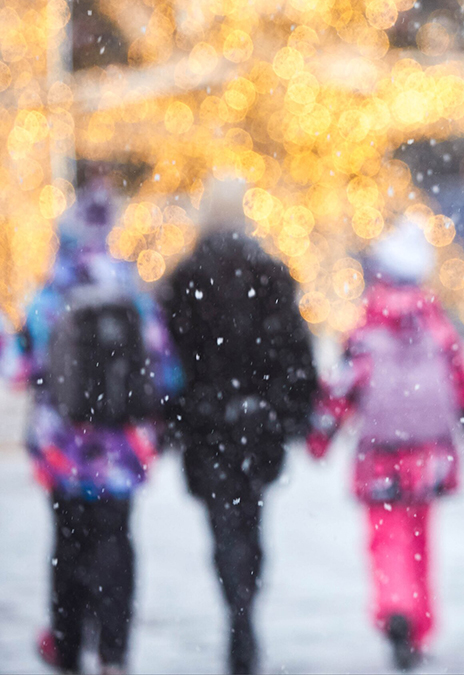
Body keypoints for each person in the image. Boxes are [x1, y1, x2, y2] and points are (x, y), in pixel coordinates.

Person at [14, 183, 181, 674]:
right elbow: (164, 369)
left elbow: (19, 366)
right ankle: (114, 650)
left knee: (68, 546)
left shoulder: (53, 292)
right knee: (117, 546)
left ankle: (66, 646)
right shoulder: (129, 290)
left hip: (62, 448)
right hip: (120, 449)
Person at [306, 224, 464, 670]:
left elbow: (341, 387)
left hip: (380, 455)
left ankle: (396, 607)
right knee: (422, 540)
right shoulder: (438, 326)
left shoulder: (367, 328)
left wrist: (319, 437)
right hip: (430, 452)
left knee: (386, 539)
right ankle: (420, 625)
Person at [160, 180, 316, 674]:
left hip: (207, 424)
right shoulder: (270, 273)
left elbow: (169, 359)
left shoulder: (185, 276)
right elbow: (295, 351)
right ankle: (245, 604)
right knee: (250, 518)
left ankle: (237, 607)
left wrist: (179, 414)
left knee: (224, 524)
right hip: (257, 422)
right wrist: (287, 410)